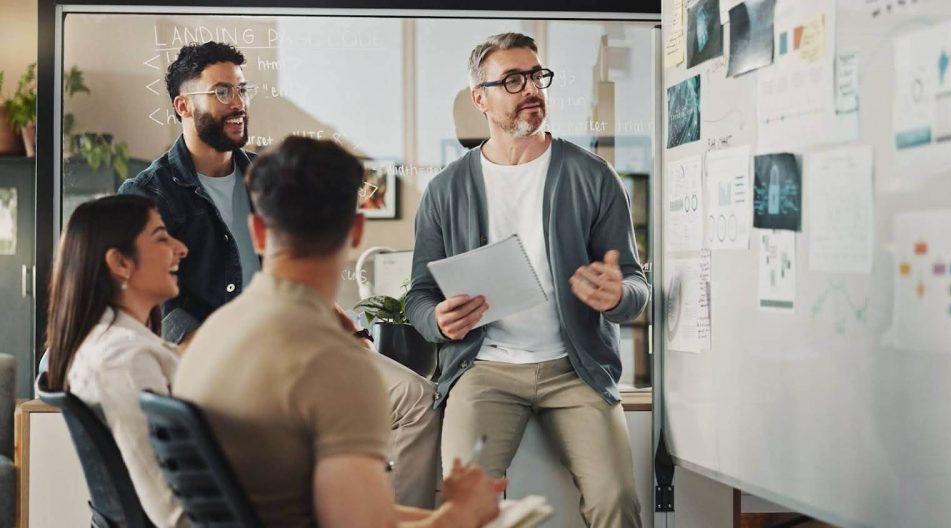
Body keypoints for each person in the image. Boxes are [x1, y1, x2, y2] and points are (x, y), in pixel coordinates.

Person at [119, 41, 440, 508]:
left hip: (299, 333)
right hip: (222, 351)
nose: (239, 103)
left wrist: (347, 331)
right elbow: (159, 300)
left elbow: (296, 269)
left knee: (417, 397)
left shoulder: (263, 177)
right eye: (223, 91)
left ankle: (397, 509)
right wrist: (212, 353)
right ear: (183, 105)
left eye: (243, 90)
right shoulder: (150, 192)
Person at [173, 136, 505, 527]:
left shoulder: (212, 334)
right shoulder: (336, 366)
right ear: (356, 230)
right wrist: (462, 515)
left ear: (258, 232)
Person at [405, 33, 649, 527]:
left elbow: (636, 285)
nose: (531, 89)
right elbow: (418, 297)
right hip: (484, 371)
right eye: (512, 80)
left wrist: (618, 295)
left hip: (575, 372)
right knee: (460, 513)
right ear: (481, 98)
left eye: (537, 76)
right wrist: (439, 320)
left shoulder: (592, 176)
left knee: (616, 499)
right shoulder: (446, 189)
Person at [44, 195, 189, 528]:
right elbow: (170, 514)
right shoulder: (124, 361)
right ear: (121, 264)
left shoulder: (113, 346)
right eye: (162, 238)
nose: (181, 249)